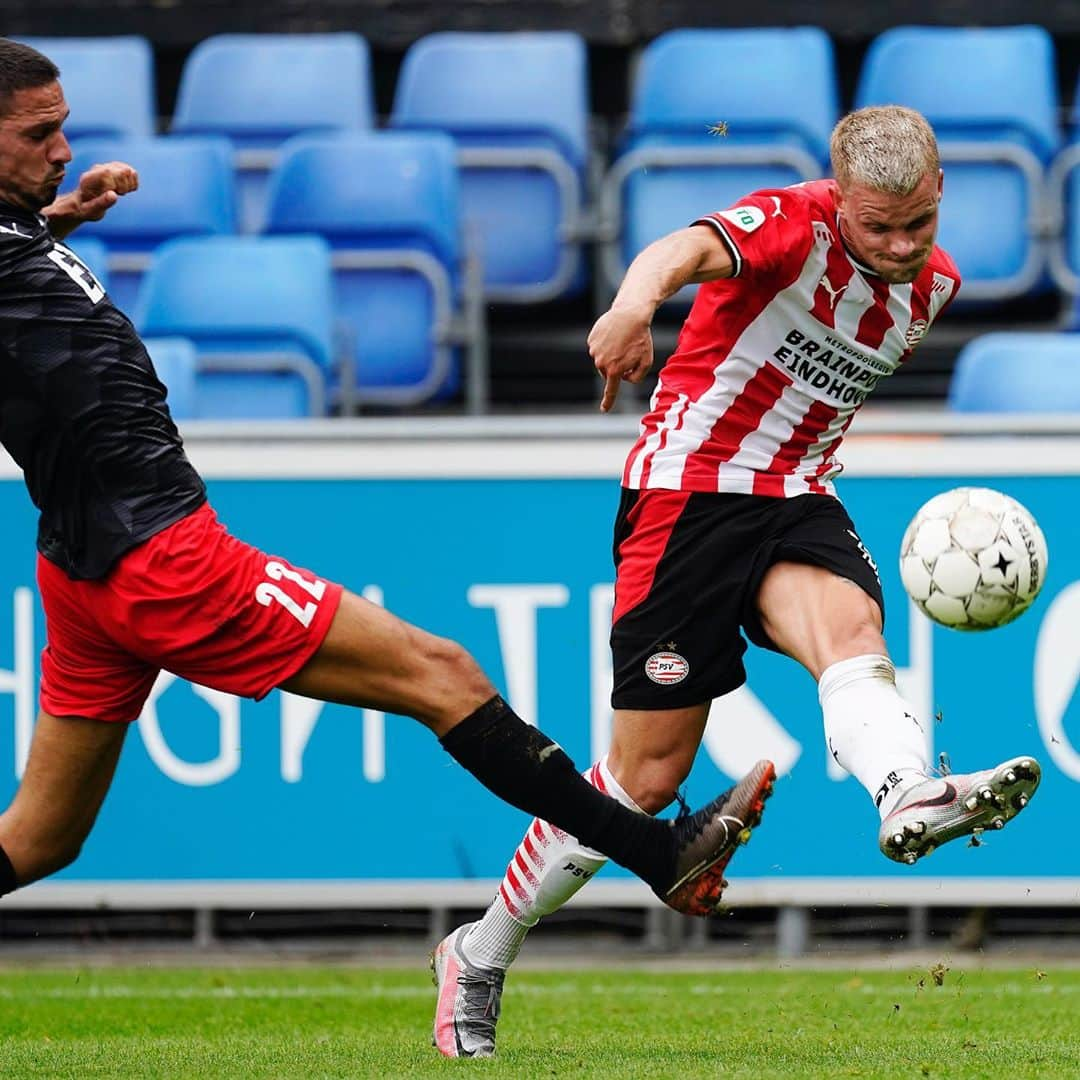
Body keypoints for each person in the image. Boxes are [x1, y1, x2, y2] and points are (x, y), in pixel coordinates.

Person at [0, 37, 775, 953]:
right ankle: (657, 852)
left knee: (42, 838)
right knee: (441, 675)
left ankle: (658, 854)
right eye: (42, 133)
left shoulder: (20, 235)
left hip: (85, 568)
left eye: (64, 130)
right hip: (159, 557)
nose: (64, 149)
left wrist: (58, 217)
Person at [432, 104, 1043, 1058]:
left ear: (939, 198)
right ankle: (479, 950)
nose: (896, 246)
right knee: (645, 780)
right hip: (687, 495)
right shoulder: (789, 224)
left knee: (851, 641)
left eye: (915, 224)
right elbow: (679, 252)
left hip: (797, 495)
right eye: (875, 226)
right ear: (840, 198)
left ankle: (905, 793)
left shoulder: (937, 286)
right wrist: (635, 307)